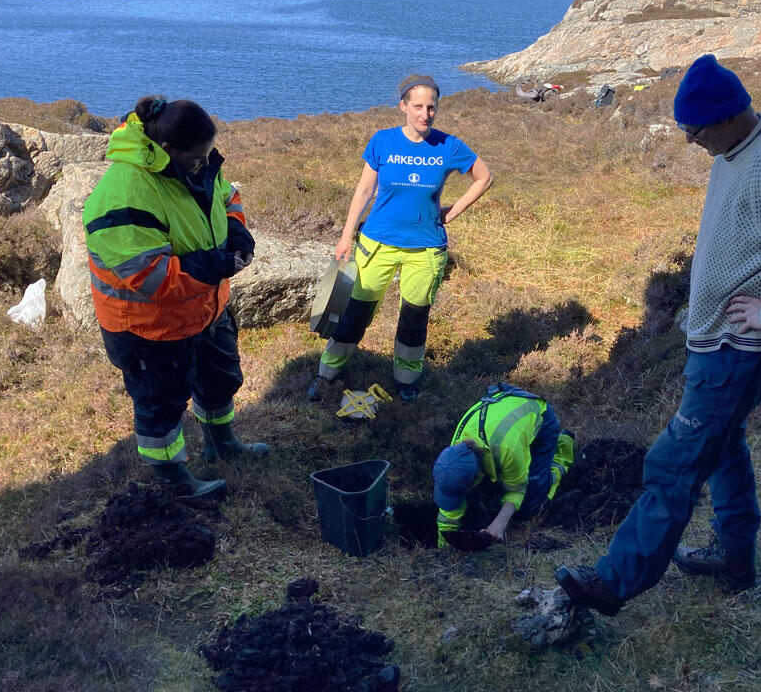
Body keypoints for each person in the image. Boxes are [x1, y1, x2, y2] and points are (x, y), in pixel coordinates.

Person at [556, 54, 761, 615]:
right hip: (719, 343)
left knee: (674, 461)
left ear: (728, 116)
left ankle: (615, 581)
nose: (687, 140)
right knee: (725, 449)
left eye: (694, 129)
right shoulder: (735, 148)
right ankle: (734, 560)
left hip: (739, 350)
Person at [84, 96, 268, 500]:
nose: (205, 163)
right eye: (197, 157)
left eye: (208, 155)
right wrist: (215, 264)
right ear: (167, 149)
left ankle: (222, 443)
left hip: (205, 309)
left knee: (220, 379)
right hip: (150, 327)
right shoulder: (124, 193)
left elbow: (226, 196)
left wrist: (236, 232)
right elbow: (150, 277)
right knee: (161, 406)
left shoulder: (193, 165)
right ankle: (174, 481)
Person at [309, 75, 493, 403]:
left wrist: (454, 210)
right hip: (377, 243)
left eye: (432, 107)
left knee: (414, 318)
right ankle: (327, 373)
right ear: (403, 106)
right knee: (355, 313)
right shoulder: (383, 142)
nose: (425, 114)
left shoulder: (448, 146)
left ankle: (406, 381)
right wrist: (346, 235)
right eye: (418, 106)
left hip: (425, 249)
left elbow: (484, 176)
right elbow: (365, 190)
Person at [432, 383, 574, 546]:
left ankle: (563, 446)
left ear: (478, 474)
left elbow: (517, 491)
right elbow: (448, 515)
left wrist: (499, 524)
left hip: (539, 417)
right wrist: (444, 548)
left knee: (529, 506)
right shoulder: (454, 453)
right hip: (504, 409)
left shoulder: (507, 448)